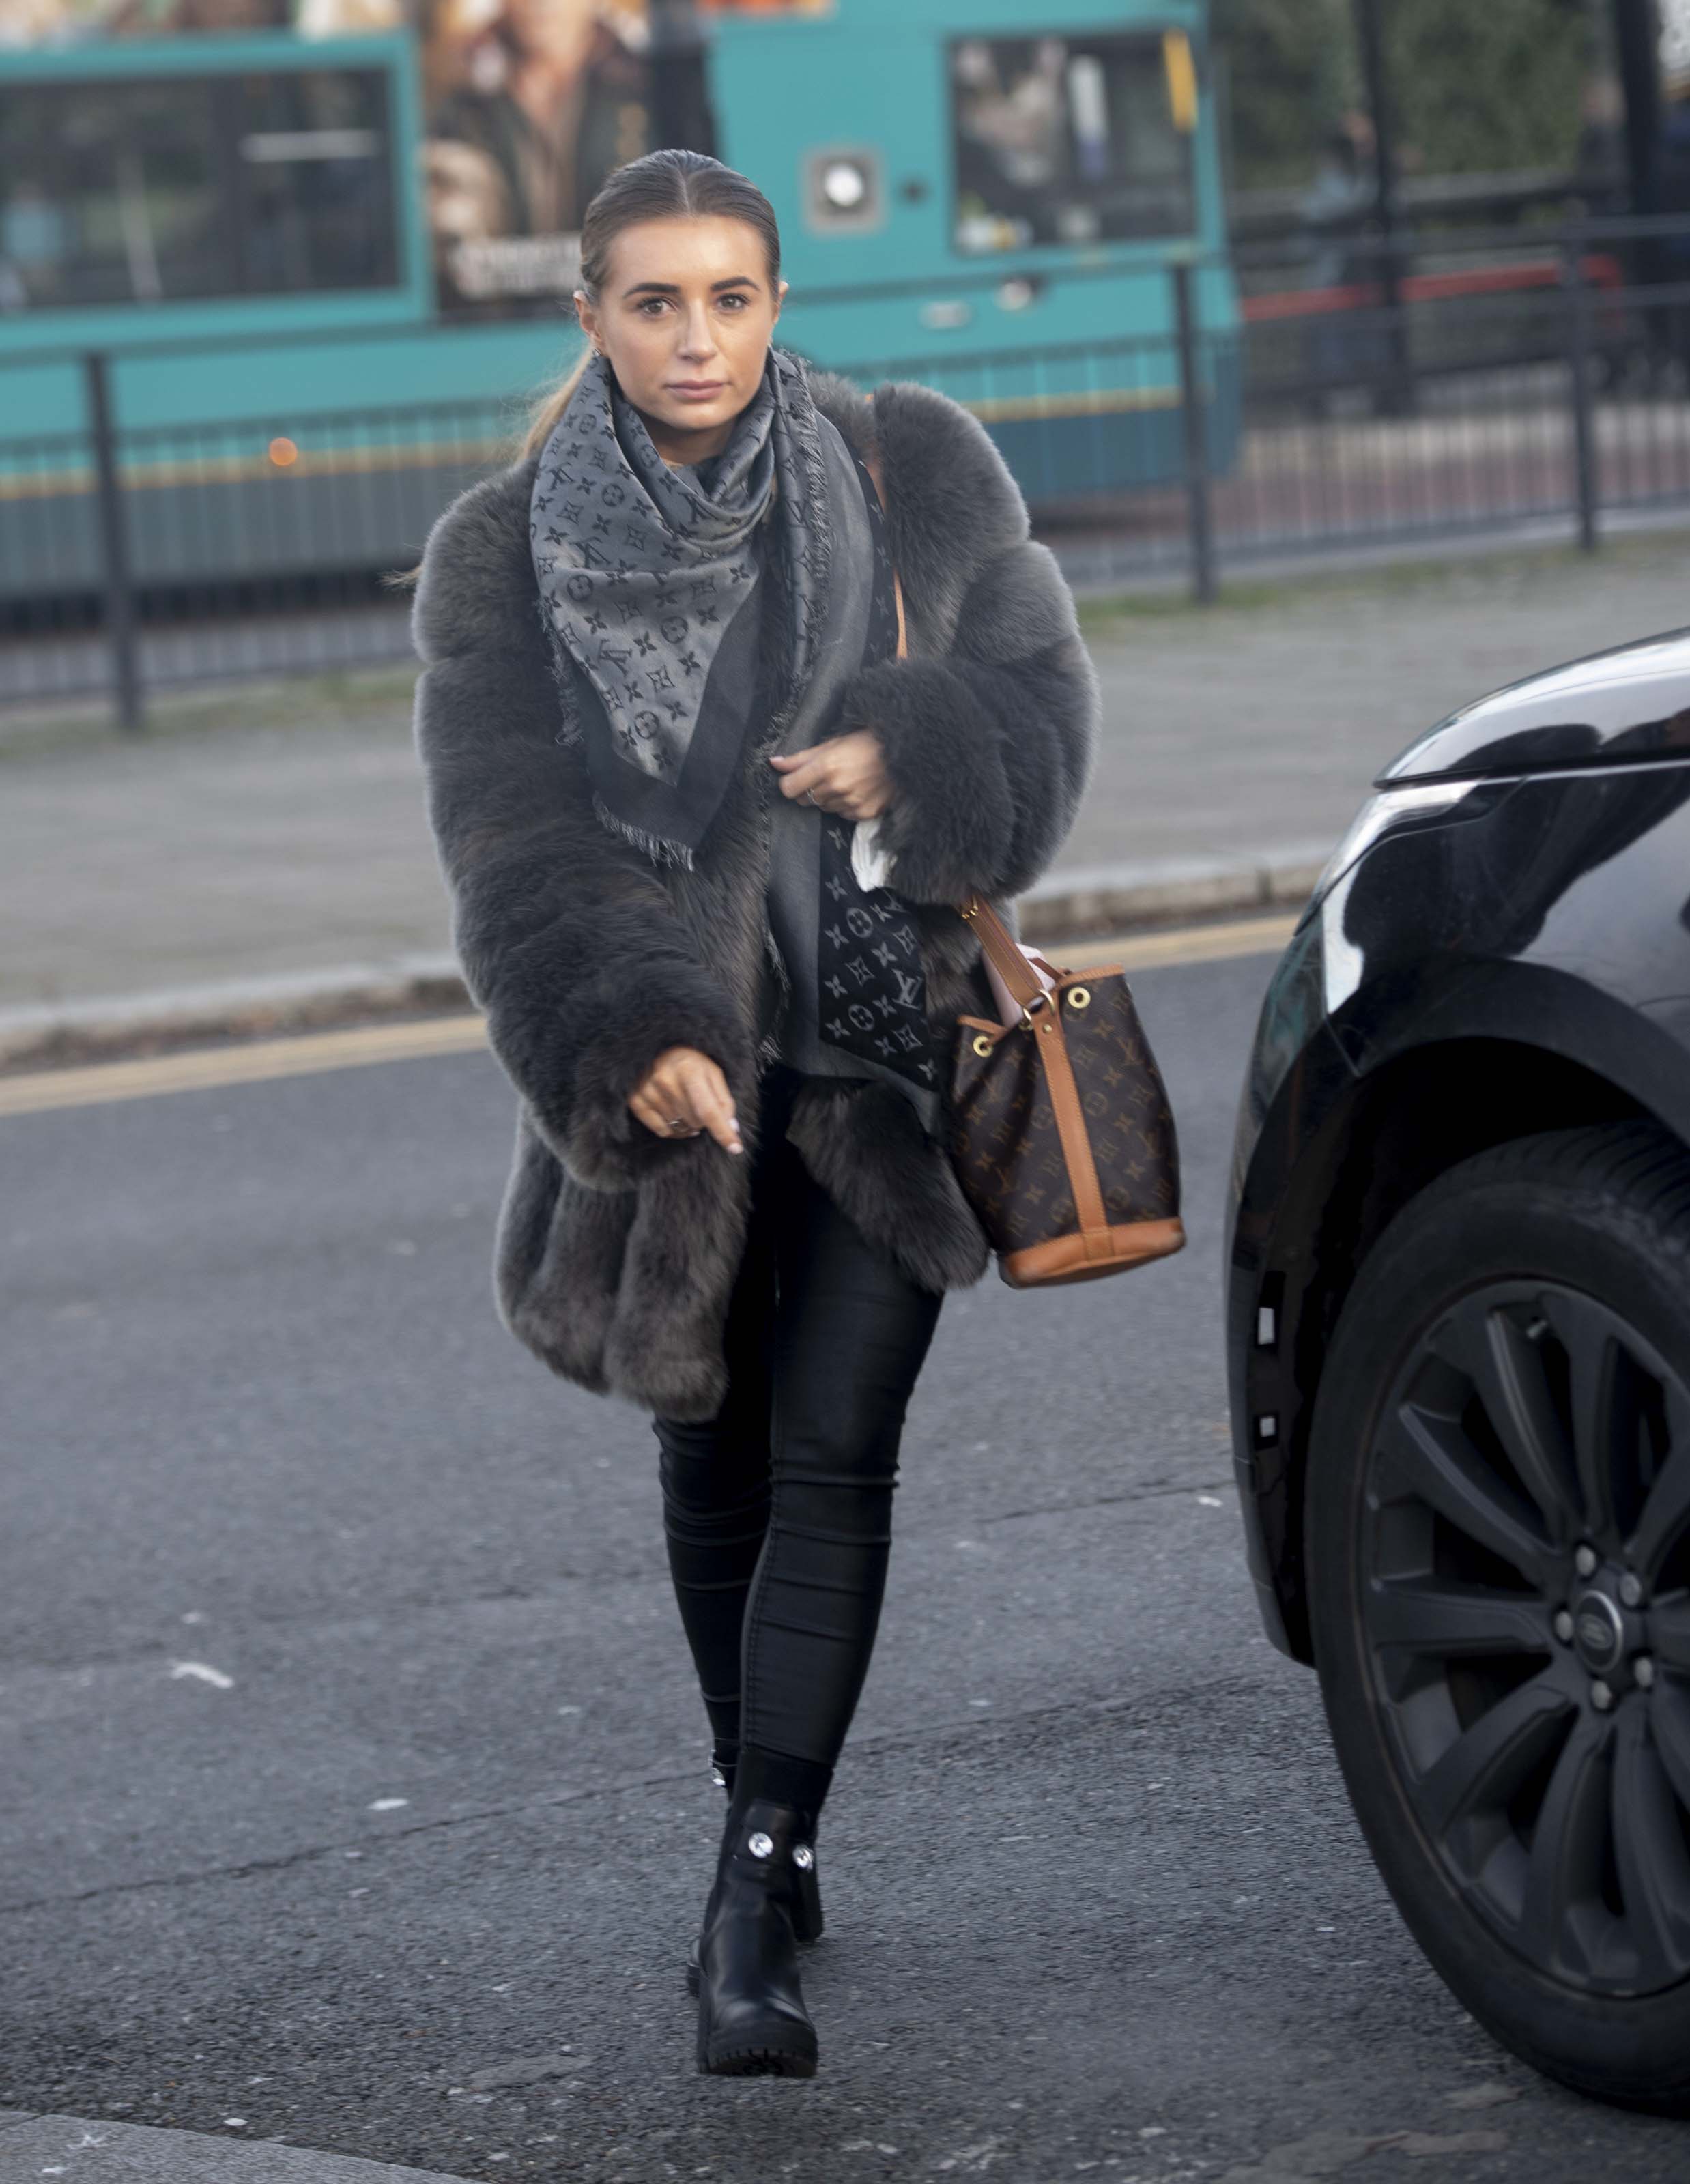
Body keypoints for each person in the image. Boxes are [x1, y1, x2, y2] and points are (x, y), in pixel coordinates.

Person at [409, 148, 1098, 2078]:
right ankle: (762, 1826)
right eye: (654, 302)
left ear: (778, 304)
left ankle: (751, 1882)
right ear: (592, 318)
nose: (694, 338)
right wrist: (623, 1030)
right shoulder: (499, 554)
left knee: (837, 1458)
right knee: (712, 1462)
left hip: (881, 1066)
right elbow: (505, 835)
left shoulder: (909, 467)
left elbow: (1043, 712)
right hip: (678, 1074)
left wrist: (919, 745)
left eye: (729, 297)